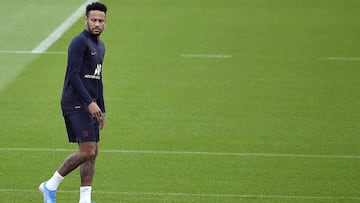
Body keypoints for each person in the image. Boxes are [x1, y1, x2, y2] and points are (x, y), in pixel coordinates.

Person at [39, 2, 108, 203]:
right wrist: (89, 103)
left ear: (105, 23)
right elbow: (74, 75)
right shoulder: (79, 43)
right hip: (75, 102)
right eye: (93, 20)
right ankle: (49, 185)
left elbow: (98, 78)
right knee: (87, 150)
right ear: (86, 20)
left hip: (90, 104)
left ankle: (85, 199)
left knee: (93, 152)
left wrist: (102, 108)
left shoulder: (100, 46)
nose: (96, 23)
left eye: (100, 21)